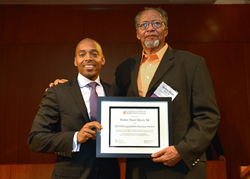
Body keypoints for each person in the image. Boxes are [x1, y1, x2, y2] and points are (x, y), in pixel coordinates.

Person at [48, 7, 220, 179]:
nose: (150, 28)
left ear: (166, 30)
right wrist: (69, 88)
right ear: (138, 33)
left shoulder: (191, 64)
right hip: (138, 170)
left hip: (181, 168)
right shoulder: (125, 69)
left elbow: (208, 116)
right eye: (144, 25)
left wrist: (182, 151)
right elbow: (112, 110)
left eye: (156, 23)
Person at [28, 38, 121, 179]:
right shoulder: (58, 92)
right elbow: (36, 139)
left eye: (94, 54)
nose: (88, 58)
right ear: (75, 61)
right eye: (82, 54)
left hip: (109, 174)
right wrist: (76, 137)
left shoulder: (116, 93)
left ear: (103, 60)